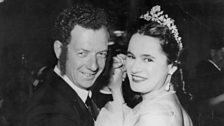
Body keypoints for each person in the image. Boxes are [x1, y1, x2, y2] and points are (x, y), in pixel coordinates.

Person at [95, 5, 193, 126]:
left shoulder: (155, 115)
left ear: (172, 67)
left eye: (147, 59)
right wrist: (116, 90)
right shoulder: (164, 101)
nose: (134, 69)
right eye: (131, 56)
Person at [23, 4, 110, 126]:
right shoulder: (51, 112)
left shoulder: (74, 92)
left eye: (101, 54)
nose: (94, 66)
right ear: (59, 50)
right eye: (82, 53)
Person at [193, 39, 224, 126]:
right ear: (213, 53)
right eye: (223, 53)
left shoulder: (216, 72)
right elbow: (203, 103)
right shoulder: (205, 71)